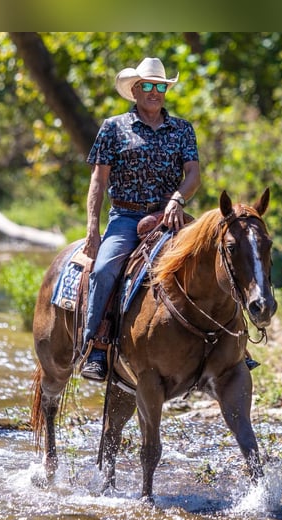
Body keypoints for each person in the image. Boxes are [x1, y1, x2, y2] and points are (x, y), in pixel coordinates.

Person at [79, 57, 201, 381]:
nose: (154, 92)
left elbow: (193, 174)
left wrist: (177, 198)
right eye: (147, 85)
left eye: (160, 86)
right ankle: (96, 346)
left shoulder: (182, 130)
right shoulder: (113, 128)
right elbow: (98, 180)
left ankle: (231, 346)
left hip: (168, 213)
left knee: (214, 257)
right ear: (134, 90)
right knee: (105, 269)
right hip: (126, 215)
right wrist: (93, 227)